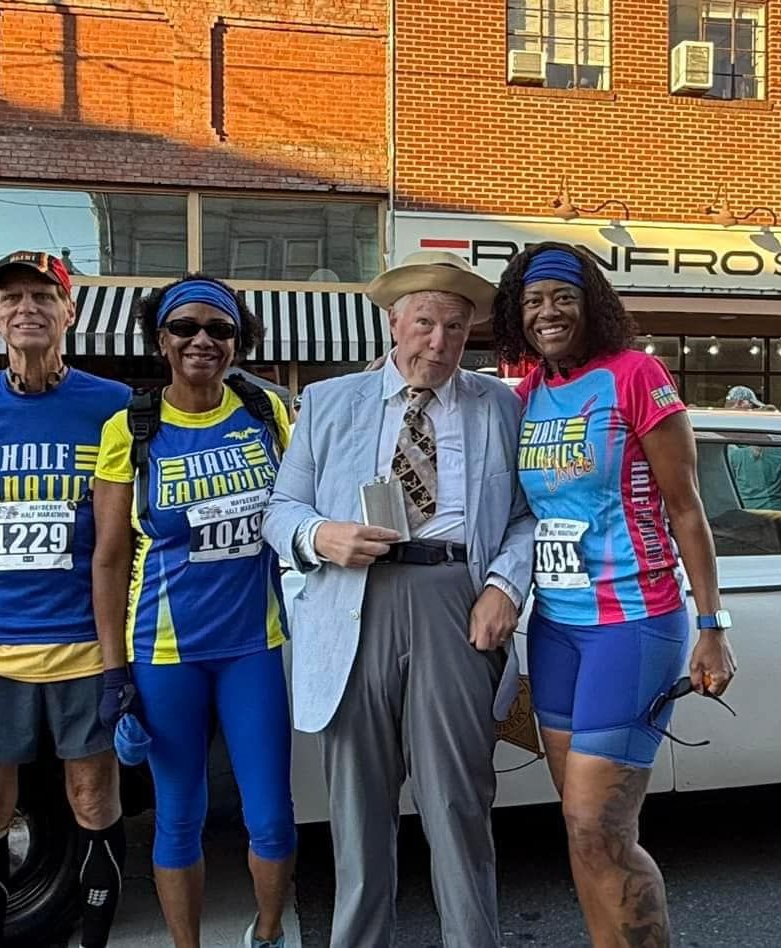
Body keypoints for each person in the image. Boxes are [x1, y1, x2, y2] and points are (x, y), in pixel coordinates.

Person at [263, 249, 533, 948]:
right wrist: (322, 535)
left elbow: (531, 516)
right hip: (353, 600)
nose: (437, 342)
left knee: (458, 801)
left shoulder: (500, 405)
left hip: (454, 602)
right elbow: (279, 509)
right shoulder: (327, 402)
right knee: (357, 808)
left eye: (453, 327)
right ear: (392, 322)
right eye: (423, 323)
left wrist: (505, 585)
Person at [494, 243, 735, 947]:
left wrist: (712, 624)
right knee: (578, 824)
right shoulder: (529, 392)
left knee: (604, 827)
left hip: (632, 623)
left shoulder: (636, 375)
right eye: (534, 301)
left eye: (562, 297)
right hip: (558, 627)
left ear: (590, 302)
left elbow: (686, 506)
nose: (548, 312)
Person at [0, 251, 131, 947]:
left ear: (70, 312)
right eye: (10, 297)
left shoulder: (113, 406)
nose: (27, 308)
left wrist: (121, 649)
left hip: (85, 645)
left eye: (44, 296)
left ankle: (94, 940)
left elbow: (129, 535)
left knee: (93, 799)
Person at [91, 276, 296, 948]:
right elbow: (110, 559)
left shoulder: (266, 413)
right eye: (186, 328)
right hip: (164, 653)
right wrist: (113, 674)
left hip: (253, 646)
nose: (203, 340)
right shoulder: (132, 428)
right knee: (180, 815)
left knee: (271, 818)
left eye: (220, 329)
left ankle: (265, 935)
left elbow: (302, 514)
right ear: (162, 340)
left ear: (238, 340)